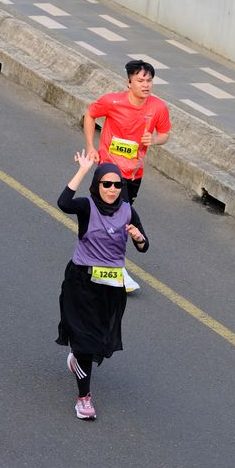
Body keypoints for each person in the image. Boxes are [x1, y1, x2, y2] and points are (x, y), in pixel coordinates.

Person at [56, 151, 149, 420]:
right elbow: (63, 203)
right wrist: (83, 169)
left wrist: (138, 238)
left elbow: (144, 246)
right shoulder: (87, 207)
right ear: (97, 185)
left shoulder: (128, 211)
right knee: (85, 344)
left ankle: (77, 358)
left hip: (110, 288)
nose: (112, 189)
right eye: (106, 184)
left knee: (100, 342)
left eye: (117, 185)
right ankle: (83, 399)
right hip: (81, 282)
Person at [83, 59, 171, 292]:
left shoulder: (158, 107)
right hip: (109, 169)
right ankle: (115, 268)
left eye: (149, 80)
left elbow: (165, 134)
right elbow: (90, 115)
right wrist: (91, 147)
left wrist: (155, 140)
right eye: (140, 80)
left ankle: (96, 260)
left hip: (134, 173)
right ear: (129, 82)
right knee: (119, 216)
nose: (146, 85)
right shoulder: (112, 102)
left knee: (113, 217)